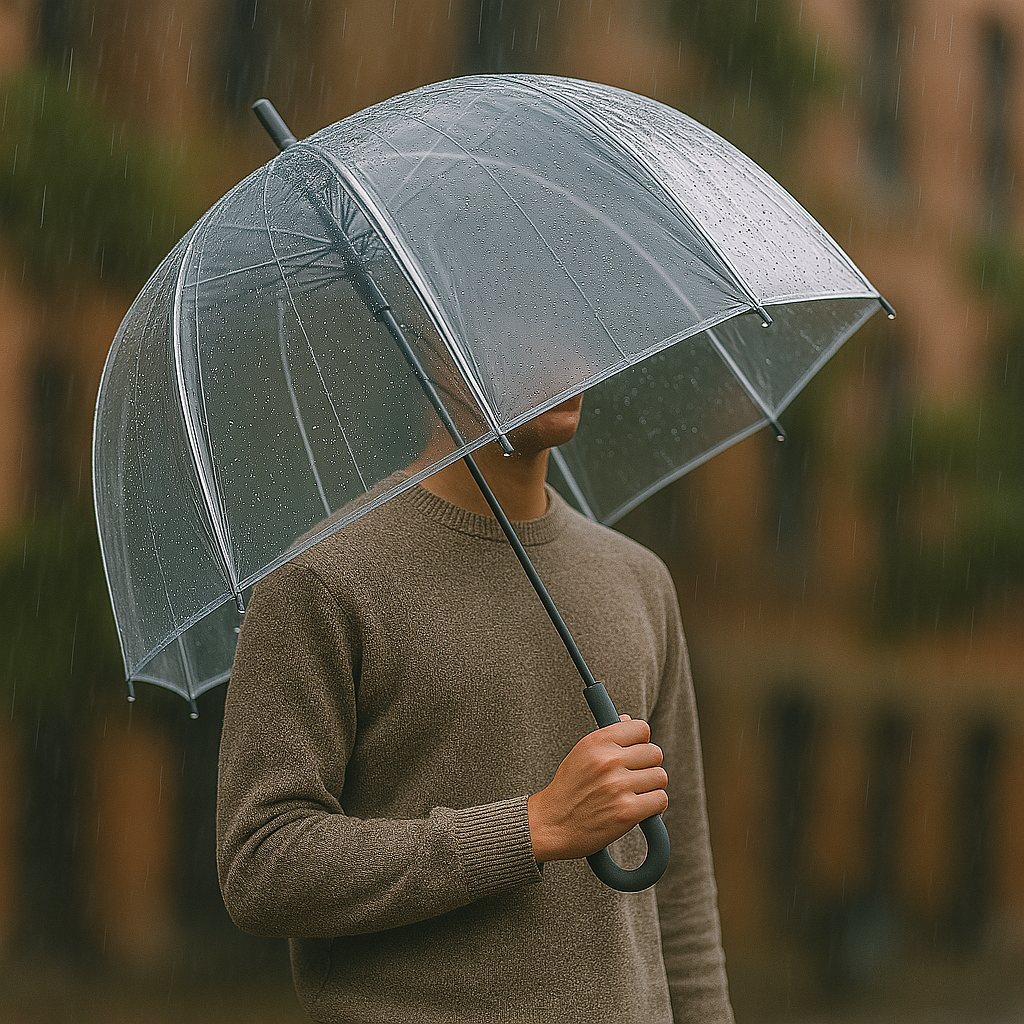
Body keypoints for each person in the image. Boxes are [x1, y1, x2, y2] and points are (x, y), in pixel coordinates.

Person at [216, 393, 734, 1023]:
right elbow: (261, 864)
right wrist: (528, 829)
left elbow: (682, 903)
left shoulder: (639, 581)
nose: (567, 351)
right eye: (522, 316)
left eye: (573, 313)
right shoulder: (323, 581)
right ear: (437, 340)